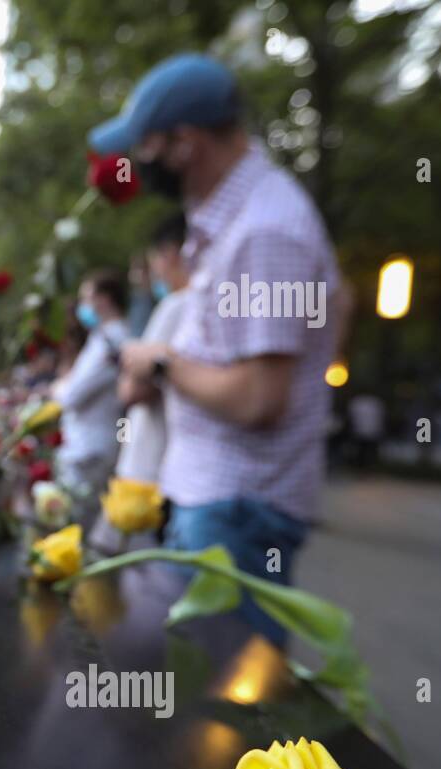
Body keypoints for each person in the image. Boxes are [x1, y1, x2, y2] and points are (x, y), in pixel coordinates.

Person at [94, 53, 341, 646]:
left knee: (215, 713)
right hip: (219, 506)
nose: (136, 165)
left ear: (184, 144)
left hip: (235, 513)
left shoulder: (265, 230)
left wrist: (160, 360)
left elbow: (259, 397)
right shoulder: (241, 222)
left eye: (144, 148)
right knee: (192, 704)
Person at [115, 213, 190, 485]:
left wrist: (137, 360)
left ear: (169, 253)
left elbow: (132, 390)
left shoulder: (175, 306)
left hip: (150, 466)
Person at [50, 269, 129, 499]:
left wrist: (58, 387)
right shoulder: (103, 338)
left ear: (104, 299)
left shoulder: (111, 342)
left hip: (90, 449)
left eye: (86, 298)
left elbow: (72, 395)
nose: (82, 306)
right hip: (87, 445)